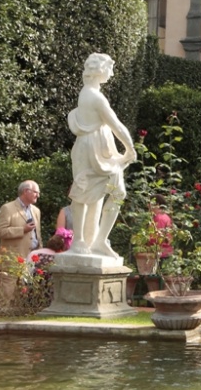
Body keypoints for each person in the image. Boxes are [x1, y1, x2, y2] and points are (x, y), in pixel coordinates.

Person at [66, 53, 136, 258]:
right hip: (91, 149)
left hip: (100, 149)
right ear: (99, 70)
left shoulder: (91, 93)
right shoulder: (93, 96)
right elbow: (116, 124)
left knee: (115, 192)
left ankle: (98, 240)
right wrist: (130, 148)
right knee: (83, 191)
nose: (112, 73)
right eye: (109, 68)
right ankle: (80, 240)